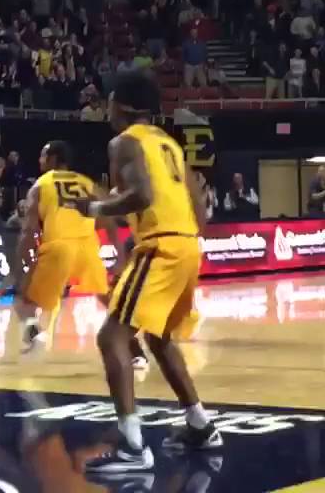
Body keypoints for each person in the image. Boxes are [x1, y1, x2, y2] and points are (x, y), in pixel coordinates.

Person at [81, 70, 219, 474]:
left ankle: (131, 448)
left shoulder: (124, 142)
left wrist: (95, 209)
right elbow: (200, 205)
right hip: (188, 243)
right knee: (158, 339)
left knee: (112, 338)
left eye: (108, 101)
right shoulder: (169, 145)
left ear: (120, 106)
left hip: (162, 243)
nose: (105, 107)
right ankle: (200, 424)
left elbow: (141, 194)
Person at [4, 140, 112, 354]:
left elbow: (28, 232)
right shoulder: (86, 182)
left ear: (53, 159)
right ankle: (135, 347)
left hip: (58, 248)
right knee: (107, 299)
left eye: (43, 155)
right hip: (88, 247)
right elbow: (106, 217)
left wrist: (21, 267)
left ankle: (35, 337)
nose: (39, 159)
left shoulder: (41, 184)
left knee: (23, 299)